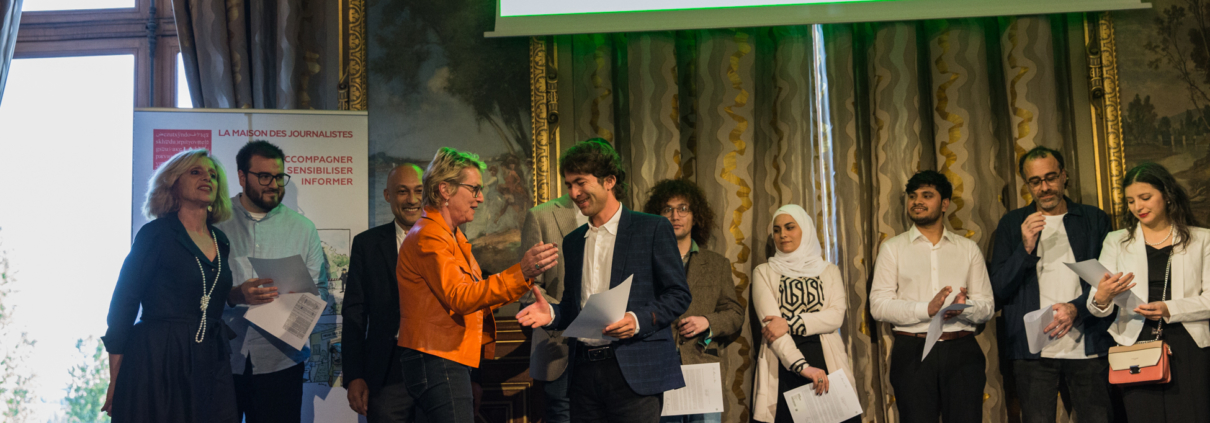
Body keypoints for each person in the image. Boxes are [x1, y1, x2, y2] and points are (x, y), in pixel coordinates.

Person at [517, 138, 693, 423]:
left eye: (581, 183)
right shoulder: (573, 242)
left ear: (609, 181)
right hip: (583, 373)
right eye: (569, 185)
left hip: (634, 370)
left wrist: (636, 320)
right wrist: (551, 314)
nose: (574, 193)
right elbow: (573, 309)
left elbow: (678, 294)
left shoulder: (651, 228)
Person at [395, 147, 558, 423]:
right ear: (445, 190)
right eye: (474, 189)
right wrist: (521, 272)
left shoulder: (450, 236)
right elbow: (461, 297)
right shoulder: (430, 236)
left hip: (447, 358)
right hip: (438, 359)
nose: (480, 198)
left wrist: (523, 276)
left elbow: (477, 295)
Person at [102, 149, 241, 422]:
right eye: (196, 172)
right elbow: (123, 306)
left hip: (211, 361)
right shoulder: (155, 234)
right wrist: (115, 379)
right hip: (159, 359)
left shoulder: (221, 241)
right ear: (173, 182)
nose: (207, 178)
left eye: (213, 175)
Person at [989, 146, 1115, 423]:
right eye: (1035, 181)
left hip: (1088, 343)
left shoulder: (1093, 218)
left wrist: (1076, 309)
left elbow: (1108, 281)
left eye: (1050, 177)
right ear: (1027, 184)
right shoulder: (1012, 224)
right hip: (1033, 350)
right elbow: (998, 290)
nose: (1044, 187)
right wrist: (1025, 248)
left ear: (1064, 175)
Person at [1087, 162, 1210, 422]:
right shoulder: (1116, 241)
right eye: (1131, 201)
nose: (1138, 207)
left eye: (1145, 197)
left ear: (1167, 195)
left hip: (1187, 341)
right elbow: (1096, 305)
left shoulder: (1202, 239)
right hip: (1135, 340)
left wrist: (1168, 309)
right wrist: (1102, 297)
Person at [217, 140, 328, 423]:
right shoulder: (215, 222)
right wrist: (234, 295)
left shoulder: (303, 229)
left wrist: (297, 307)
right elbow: (195, 289)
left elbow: (319, 291)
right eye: (264, 176)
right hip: (222, 358)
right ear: (242, 177)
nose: (274, 185)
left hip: (281, 362)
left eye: (279, 177)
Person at [869, 170, 994, 423]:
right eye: (912, 196)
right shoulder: (892, 248)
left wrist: (965, 308)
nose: (917, 201)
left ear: (945, 204)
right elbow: (879, 306)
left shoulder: (968, 249)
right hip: (912, 351)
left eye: (927, 195)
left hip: (961, 350)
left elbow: (987, 306)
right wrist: (926, 309)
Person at [641, 179, 743, 423]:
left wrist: (707, 321)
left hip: (702, 366)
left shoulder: (717, 264)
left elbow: (735, 313)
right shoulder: (645, 262)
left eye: (683, 208)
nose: (675, 215)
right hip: (659, 367)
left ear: (696, 217)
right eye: (667, 209)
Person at [751, 205, 859, 423]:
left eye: (790, 227)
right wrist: (803, 368)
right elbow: (773, 329)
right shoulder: (764, 272)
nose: (783, 234)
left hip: (826, 358)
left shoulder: (829, 271)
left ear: (805, 230)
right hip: (784, 362)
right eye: (777, 230)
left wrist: (789, 323)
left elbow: (835, 317)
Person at [343, 164, 425, 422]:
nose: (412, 199)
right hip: (387, 372)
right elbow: (354, 313)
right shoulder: (366, 244)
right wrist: (354, 375)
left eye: (419, 191)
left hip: (439, 368)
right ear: (388, 195)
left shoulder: (451, 241)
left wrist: (475, 378)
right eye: (402, 191)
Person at [520, 192, 587, 423]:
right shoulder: (541, 216)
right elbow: (528, 287)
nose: (577, 189)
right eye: (571, 182)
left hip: (611, 352)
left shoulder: (619, 218)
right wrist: (561, 313)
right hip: (559, 347)